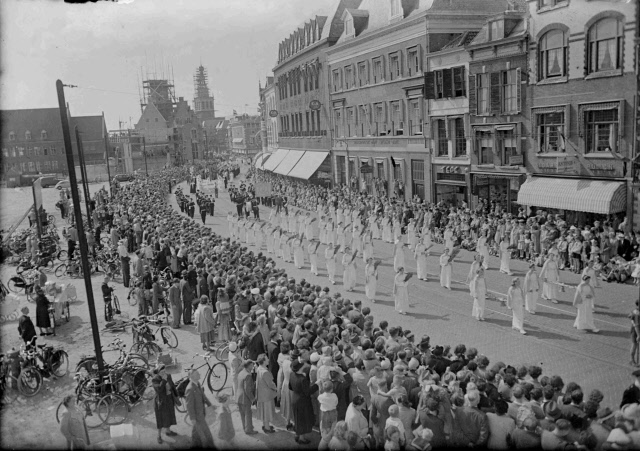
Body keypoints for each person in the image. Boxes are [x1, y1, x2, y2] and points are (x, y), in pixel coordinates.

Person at [290, 359, 318, 444]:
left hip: (294, 398)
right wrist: (317, 385)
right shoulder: (303, 379)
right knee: (303, 420)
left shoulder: (292, 374)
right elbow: (308, 392)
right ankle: (302, 439)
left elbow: (290, 387)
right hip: (302, 401)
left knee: (297, 418)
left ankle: (297, 434)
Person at [185, 370, 214, 447]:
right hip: (197, 416)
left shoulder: (197, 383)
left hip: (201, 413)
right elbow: (189, 406)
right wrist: (192, 418)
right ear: (191, 377)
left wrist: (209, 404)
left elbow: (203, 396)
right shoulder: (190, 389)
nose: (199, 374)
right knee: (207, 435)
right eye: (197, 374)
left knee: (196, 433)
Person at [151, 364, 178, 444]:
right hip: (160, 401)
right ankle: (159, 436)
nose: (163, 372)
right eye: (161, 371)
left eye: (164, 370)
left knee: (169, 416)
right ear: (158, 372)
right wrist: (163, 380)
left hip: (169, 399)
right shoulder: (155, 379)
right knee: (160, 419)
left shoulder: (168, 375)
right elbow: (159, 389)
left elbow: (172, 385)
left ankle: (168, 431)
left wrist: (176, 395)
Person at [256, 353, 278, 434]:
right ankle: (267, 428)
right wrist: (276, 388)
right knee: (267, 412)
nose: (268, 359)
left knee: (264, 411)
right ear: (264, 361)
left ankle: (265, 425)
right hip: (267, 396)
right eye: (267, 359)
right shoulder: (265, 372)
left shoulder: (259, 369)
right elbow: (270, 384)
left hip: (262, 394)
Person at [237, 359, 257, 434]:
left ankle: (245, 427)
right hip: (245, 398)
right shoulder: (248, 375)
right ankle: (249, 430)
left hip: (239, 396)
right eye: (252, 365)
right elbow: (247, 390)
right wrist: (253, 399)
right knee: (248, 414)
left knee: (242, 414)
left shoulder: (241, 372)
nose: (253, 366)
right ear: (249, 366)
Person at [629, 301, 640, 366]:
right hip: (635, 331)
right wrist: (638, 335)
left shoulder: (635, 311)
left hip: (637, 330)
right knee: (634, 345)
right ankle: (632, 360)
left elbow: (629, 316)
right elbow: (636, 325)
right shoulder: (637, 313)